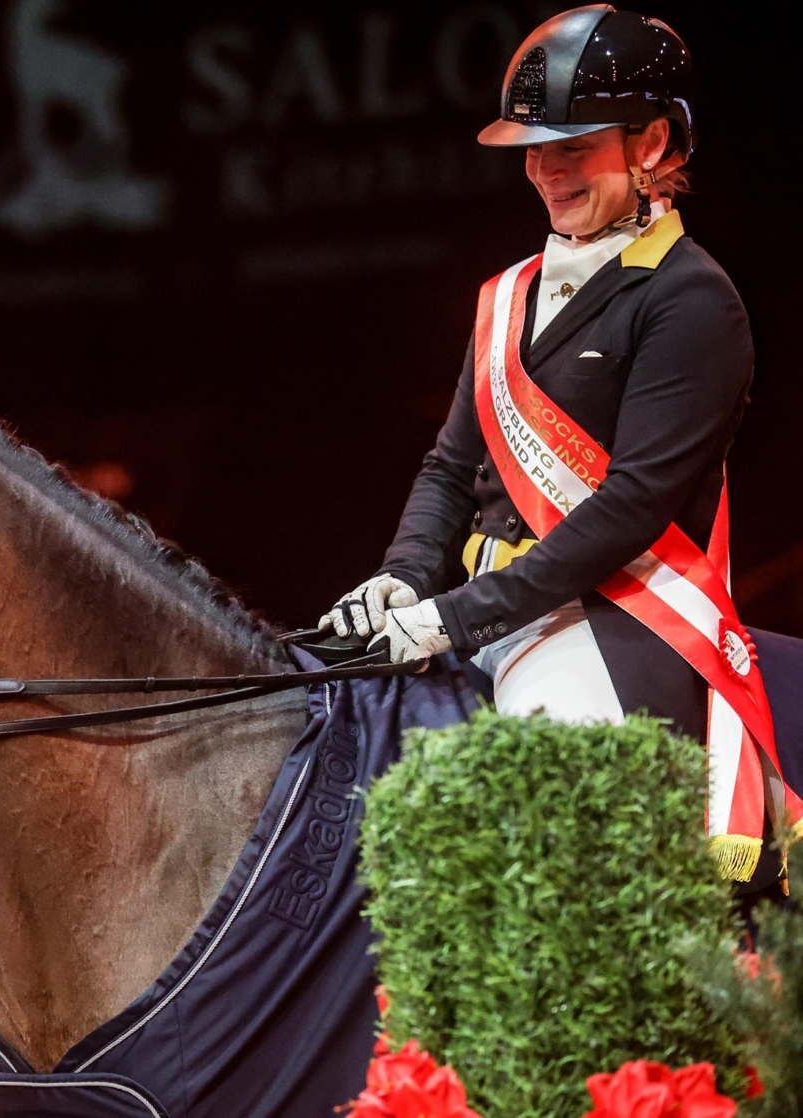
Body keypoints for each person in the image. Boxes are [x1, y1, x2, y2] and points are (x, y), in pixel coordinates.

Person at [319, 5, 801, 883]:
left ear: (651, 142)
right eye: (535, 149)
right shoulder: (507, 295)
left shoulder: (692, 301)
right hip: (491, 607)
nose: (544, 169)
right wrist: (403, 577)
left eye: (572, 146)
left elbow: (628, 508)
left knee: (552, 833)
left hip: (612, 617)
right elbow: (449, 466)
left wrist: (453, 617)